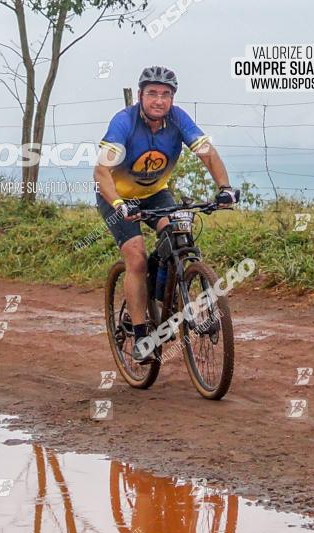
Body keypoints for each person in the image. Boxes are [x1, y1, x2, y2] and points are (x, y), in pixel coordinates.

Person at [94, 66, 237, 363]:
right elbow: (101, 171)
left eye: (165, 94)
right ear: (141, 96)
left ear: (172, 98)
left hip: (156, 193)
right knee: (136, 256)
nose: (159, 100)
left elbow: (207, 152)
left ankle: (163, 296)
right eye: (152, 94)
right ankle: (142, 332)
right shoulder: (124, 122)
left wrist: (224, 188)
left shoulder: (178, 119)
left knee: (178, 233)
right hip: (117, 196)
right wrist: (120, 205)